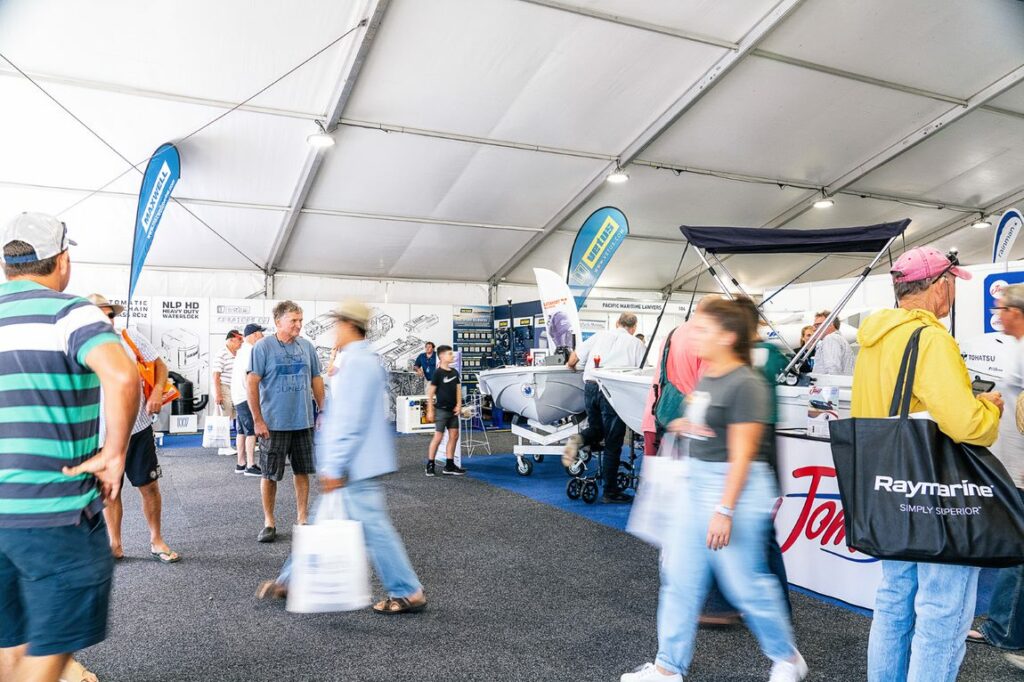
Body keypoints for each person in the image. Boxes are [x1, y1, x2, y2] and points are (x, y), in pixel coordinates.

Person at [621, 299, 807, 682]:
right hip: (698, 483)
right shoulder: (711, 376)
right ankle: (667, 669)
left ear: (727, 337)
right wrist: (685, 425)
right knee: (680, 579)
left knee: (745, 584)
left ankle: (787, 659)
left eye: (703, 330)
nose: (693, 337)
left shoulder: (747, 384)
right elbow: (707, 419)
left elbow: (743, 456)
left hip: (736, 489)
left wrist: (724, 511)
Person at [0, 213, 139, 682]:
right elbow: (122, 376)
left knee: (9, 636)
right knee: (53, 639)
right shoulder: (70, 310)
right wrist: (114, 454)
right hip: (51, 510)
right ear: (61, 261)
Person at [854, 246, 1002, 682]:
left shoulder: (874, 338)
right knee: (943, 609)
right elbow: (968, 426)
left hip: (889, 488)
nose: (953, 292)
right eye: (952, 283)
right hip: (936, 492)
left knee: (894, 598)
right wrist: (987, 407)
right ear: (939, 285)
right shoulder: (932, 338)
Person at [257, 300, 427, 614]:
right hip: (355, 463)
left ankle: (407, 590)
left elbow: (350, 419)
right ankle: (290, 580)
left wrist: (335, 464)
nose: (334, 330)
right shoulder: (358, 360)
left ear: (350, 326)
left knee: (373, 528)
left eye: (338, 324)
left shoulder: (358, 364)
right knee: (328, 521)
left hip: (353, 465)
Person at [89, 294, 181, 565]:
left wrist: (155, 394)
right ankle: (114, 544)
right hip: (100, 433)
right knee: (109, 490)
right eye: (99, 315)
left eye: (110, 315)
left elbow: (160, 366)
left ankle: (156, 540)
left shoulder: (129, 337)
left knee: (149, 486)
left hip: (137, 427)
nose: (107, 320)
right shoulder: (76, 345)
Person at [968, 284, 1024, 669]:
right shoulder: (1015, 347)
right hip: (1012, 462)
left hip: (1020, 466)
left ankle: (1004, 629)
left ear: (1017, 311)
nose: (997, 314)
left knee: (1015, 549)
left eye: (1001, 308)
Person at [248, 301, 325, 543]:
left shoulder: (307, 347)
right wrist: (258, 420)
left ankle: (302, 518)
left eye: (300, 320)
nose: (299, 325)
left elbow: (316, 379)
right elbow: (251, 383)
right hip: (273, 424)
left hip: (303, 422)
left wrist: (322, 410)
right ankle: (269, 522)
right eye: (293, 320)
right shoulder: (263, 347)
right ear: (278, 321)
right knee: (270, 475)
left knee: (303, 472)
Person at [564, 313, 645, 503]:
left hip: (591, 386)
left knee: (596, 428)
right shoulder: (637, 344)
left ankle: (577, 440)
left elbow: (574, 357)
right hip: (613, 391)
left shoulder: (600, 335)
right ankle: (610, 492)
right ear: (633, 328)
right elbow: (641, 373)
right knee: (613, 442)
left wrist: (571, 366)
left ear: (617, 323)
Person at [640, 297, 718, 456]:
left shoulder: (672, 333)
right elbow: (708, 389)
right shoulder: (706, 340)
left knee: (657, 477)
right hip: (684, 427)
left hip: (656, 417)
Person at [425, 345, 466, 476]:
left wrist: (459, 405)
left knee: (454, 436)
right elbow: (430, 393)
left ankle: (449, 465)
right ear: (442, 356)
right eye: (450, 354)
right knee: (438, 437)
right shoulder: (438, 373)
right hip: (441, 411)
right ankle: (430, 465)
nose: (452, 356)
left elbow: (459, 390)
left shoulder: (454, 372)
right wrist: (430, 410)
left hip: (453, 411)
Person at [232, 324, 265, 476]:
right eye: (260, 333)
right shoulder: (250, 351)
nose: (263, 336)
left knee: (241, 431)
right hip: (246, 396)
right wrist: (255, 395)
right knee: (251, 430)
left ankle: (241, 463)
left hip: (238, 396)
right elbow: (249, 375)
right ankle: (251, 465)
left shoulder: (241, 351)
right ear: (253, 335)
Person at [212, 329, 243, 456]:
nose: (241, 343)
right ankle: (223, 447)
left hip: (234, 387)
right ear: (230, 340)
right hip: (223, 386)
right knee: (224, 417)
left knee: (236, 415)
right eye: (239, 340)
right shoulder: (222, 353)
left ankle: (239, 443)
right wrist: (218, 394)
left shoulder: (238, 354)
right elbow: (215, 375)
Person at [811, 310, 855, 375]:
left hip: (830, 384)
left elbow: (833, 368)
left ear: (830, 324)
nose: (814, 329)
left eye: (817, 325)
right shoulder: (838, 339)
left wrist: (830, 384)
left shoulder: (830, 339)